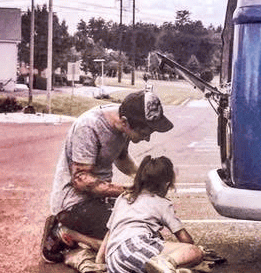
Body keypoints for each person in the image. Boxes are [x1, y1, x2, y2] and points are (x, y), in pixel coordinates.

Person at [42, 89, 173, 263]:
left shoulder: (125, 118)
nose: (147, 139)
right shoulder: (88, 127)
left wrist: (141, 178)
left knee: (145, 229)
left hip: (98, 199)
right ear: (125, 122)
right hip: (74, 203)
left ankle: (82, 236)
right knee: (127, 242)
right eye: (144, 133)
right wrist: (130, 190)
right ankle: (64, 232)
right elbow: (81, 181)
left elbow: (121, 156)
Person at [101, 155, 203, 273]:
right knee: (193, 252)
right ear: (167, 184)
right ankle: (166, 263)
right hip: (136, 246)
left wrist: (99, 260)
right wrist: (195, 250)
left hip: (115, 266)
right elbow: (184, 239)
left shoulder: (123, 197)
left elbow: (110, 232)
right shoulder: (161, 203)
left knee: (151, 260)